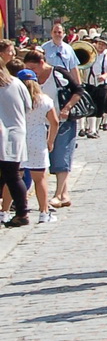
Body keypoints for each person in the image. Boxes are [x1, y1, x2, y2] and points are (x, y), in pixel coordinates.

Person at [40, 21, 81, 209]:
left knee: (63, 149)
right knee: (58, 150)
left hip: (65, 94)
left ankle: (61, 193)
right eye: (55, 31)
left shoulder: (68, 50)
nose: (58, 34)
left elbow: (75, 72)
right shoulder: (44, 49)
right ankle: (63, 193)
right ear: (51, 33)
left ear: (64, 33)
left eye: (60, 32)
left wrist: (79, 91)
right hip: (50, 94)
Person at [18, 70, 55, 223]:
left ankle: (5, 211)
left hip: (19, 139)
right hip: (38, 139)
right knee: (40, 179)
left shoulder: (16, 99)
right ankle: (43, 213)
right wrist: (50, 140)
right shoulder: (44, 100)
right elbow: (55, 122)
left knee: (14, 177)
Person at [0, 49, 31, 228]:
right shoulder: (17, 83)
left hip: (4, 134)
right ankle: (21, 212)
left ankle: (21, 213)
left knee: (11, 176)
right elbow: (28, 106)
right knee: (13, 176)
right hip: (17, 132)